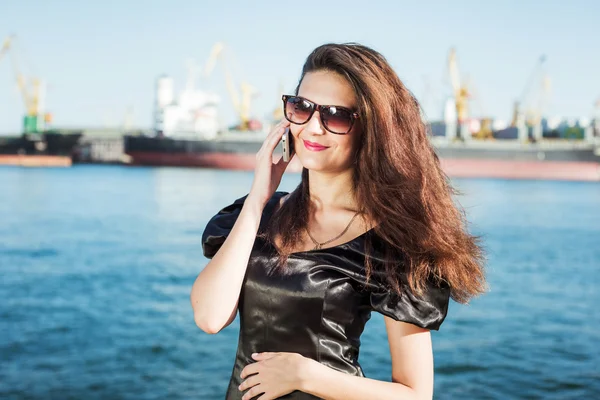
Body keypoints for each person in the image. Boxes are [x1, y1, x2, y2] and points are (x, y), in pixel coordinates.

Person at [190, 43, 486, 400]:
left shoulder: (387, 243)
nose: (313, 128)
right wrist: (258, 198)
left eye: (336, 115)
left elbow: (415, 394)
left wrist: (305, 374)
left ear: (369, 130)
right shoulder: (257, 216)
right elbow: (209, 318)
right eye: (302, 108)